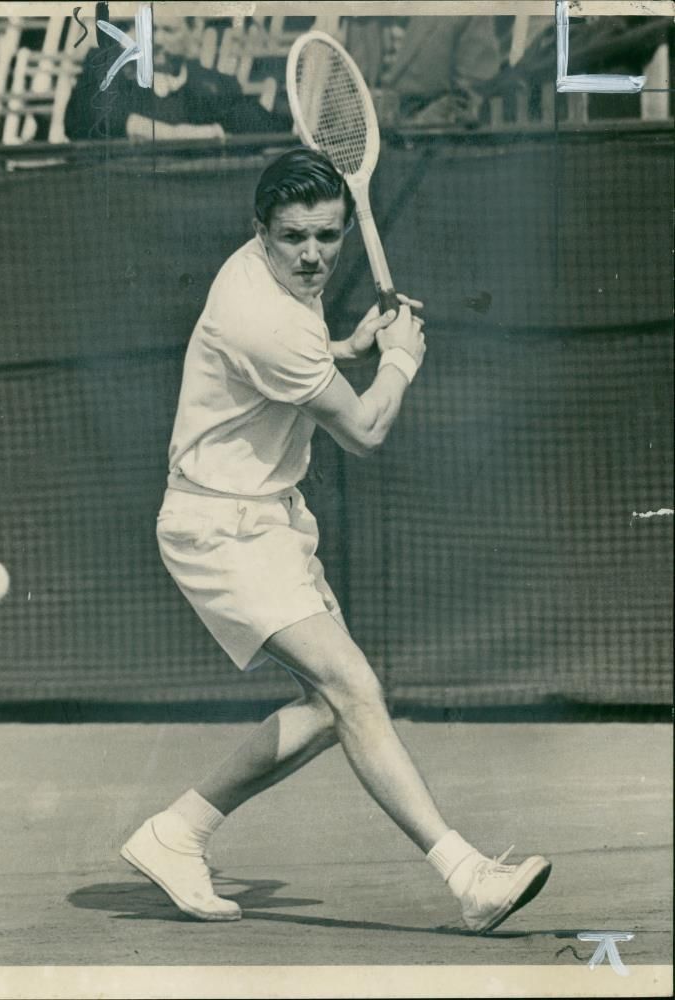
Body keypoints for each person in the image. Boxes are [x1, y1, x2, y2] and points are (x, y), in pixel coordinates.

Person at [120, 147, 552, 932]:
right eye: (293, 238)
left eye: (327, 235)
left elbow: (297, 365)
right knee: (354, 686)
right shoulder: (265, 315)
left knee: (330, 708)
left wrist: (349, 350)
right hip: (219, 527)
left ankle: (176, 831)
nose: (313, 255)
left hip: (269, 518)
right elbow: (364, 429)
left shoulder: (280, 287)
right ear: (260, 232)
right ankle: (467, 876)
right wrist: (401, 362)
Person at [64, 12, 289, 142]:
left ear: (192, 34)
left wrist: (213, 132)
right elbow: (89, 118)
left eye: (168, 31)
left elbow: (255, 121)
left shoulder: (211, 82)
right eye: (150, 29)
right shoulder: (111, 71)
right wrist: (174, 134)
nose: (157, 40)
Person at [346, 16, 501, 126]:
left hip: (433, 153)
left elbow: (471, 94)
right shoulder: (358, 15)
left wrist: (411, 123)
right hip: (366, 153)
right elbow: (344, 89)